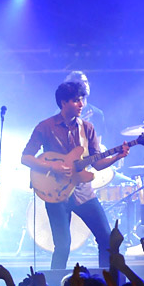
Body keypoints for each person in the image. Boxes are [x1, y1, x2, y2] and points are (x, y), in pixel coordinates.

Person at [21, 81, 129, 270]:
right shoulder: (45, 127)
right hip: (57, 194)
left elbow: (97, 163)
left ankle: (106, 285)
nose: (81, 104)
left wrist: (117, 157)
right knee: (62, 247)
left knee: (106, 239)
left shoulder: (87, 128)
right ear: (63, 103)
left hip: (83, 193)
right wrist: (51, 166)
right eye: (76, 100)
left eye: (82, 100)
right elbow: (26, 157)